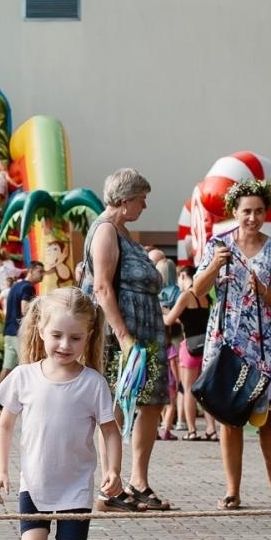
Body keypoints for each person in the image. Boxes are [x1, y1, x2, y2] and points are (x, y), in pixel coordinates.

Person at [0, 287, 123, 540]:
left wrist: (114, 469)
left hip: (75, 487)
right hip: (34, 484)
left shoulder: (93, 383)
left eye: (75, 338)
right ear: (41, 331)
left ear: (89, 337)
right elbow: (4, 427)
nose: (65, 345)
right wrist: (1, 472)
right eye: (57, 335)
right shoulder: (24, 376)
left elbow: (110, 431)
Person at [191, 179, 271, 510]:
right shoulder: (218, 244)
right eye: (247, 211)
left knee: (270, 416)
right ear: (234, 212)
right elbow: (197, 290)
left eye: (259, 211)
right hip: (225, 339)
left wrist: (262, 288)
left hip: (262, 342)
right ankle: (232, 491)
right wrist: (215, 265)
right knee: (229, 415)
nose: (253, 218)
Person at [84, 169, 169, 512]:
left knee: (150, 402)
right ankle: (111, 486)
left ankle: (138, 481)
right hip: (123, 334)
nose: (144, 205)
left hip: (146, 330)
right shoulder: (105, 230)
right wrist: (124, 337)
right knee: (117, 404)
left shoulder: (123, 231)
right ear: (123, 200)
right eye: (141, 199)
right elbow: (102, 288)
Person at [165, 267, 216, 442]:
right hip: (206, 347)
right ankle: (211, 429)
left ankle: (192, 430)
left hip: (190, 348)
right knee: (204, 389)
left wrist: (161, 313)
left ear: (183, 276)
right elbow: (194, 319)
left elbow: (169, 320)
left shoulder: (186, 295)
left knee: (188, 389)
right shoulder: (205, 296)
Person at [0, 261, 44, 398]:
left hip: (8, 332)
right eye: (40, 271)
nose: (42, 275)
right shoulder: (28, 288)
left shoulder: (16, 286)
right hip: (19, 333)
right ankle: (28, 397)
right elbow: (25, 309)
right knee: (28, 365)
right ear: (31, 271)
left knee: (7, 367)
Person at [153, 256, 181, 439]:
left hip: (157, 340)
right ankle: (173, 423)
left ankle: (158, 426)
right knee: (175, 386)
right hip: (175, 338)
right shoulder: (177, 293)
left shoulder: (154, 293)